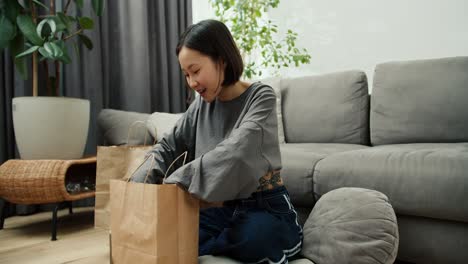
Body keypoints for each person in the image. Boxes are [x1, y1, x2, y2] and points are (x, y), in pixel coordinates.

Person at [131, 19, 302, 264]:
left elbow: (237, 152)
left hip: (264, 206)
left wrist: (174, 184)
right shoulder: (199, 106)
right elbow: (169, 146)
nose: (191, 83)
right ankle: (222, 243)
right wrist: (140, 182)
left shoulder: (261, 96)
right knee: (161, 234)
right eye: (186, 74)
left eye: (196, 71)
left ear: (221, 60)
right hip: (218, 210)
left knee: (257, 238)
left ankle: (220, 243)